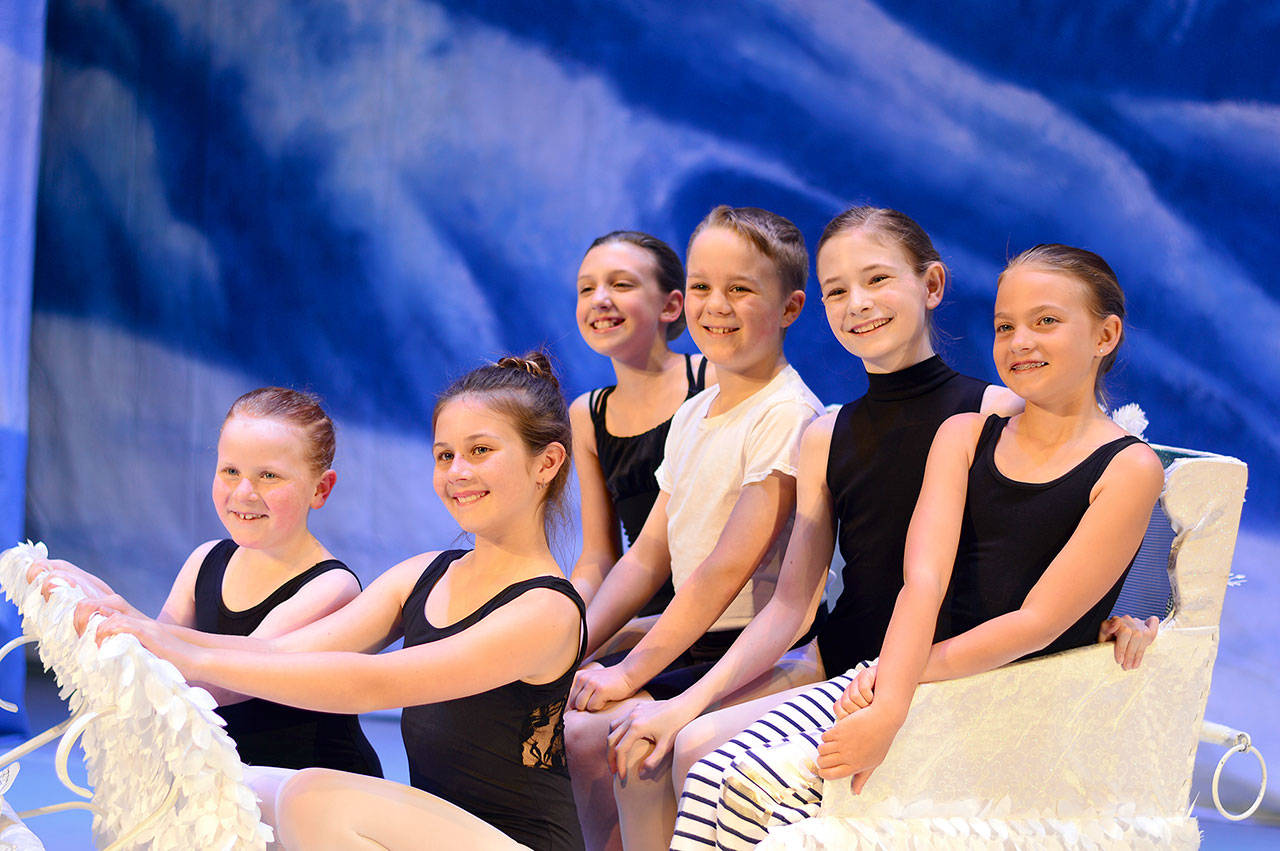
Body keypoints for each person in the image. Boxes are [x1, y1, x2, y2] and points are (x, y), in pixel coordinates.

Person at [672, 243, 1165, 848]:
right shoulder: (963, 435)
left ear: (1105, 335)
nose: (1020, 341)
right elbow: (922, 581)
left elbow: (1036, 622)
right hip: (903, 673)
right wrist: (890, 685)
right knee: (705, 767)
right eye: (1005, 326)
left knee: (756, 783)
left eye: (1046, 322)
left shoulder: (1129, 467)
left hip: (1001, 692)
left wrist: (893, 691)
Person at [78, 355, 587, 850]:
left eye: (480, 451)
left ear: (547, 462)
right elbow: (282, 652)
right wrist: (133, 622)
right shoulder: (423, 575)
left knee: (312, 799)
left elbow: (374, 682)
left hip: (520, 841)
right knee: (232, 790)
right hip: (442, 829)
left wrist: (185, 653)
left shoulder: (545, 609)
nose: (456, 472)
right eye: (444, 454)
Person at [565, 207, 824, 850]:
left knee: (633, 745)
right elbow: (647, 556)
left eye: (741, 289)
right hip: (689, 636)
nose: (717, 305)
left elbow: (723, 571)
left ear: (790, 308)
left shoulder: (788, 413)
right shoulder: (696, 412)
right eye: (705, 287)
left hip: (755, 646)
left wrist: (628, 674)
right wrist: (570, 646)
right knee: (574, 730)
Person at [33, 387, 381, 777]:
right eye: (231, 471)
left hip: (312, 791)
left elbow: (231, 681)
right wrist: (94, 598)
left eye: (268, 476)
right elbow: (152, 658)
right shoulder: (204, 560)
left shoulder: (332, 587)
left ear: (320, 489)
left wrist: (123, 612)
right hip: (229, 788)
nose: (244, 492)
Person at [569, 231, 711, 619]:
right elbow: (599, 557)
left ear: (671, 305)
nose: (599, 299)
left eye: (621, 284)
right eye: (586, 289)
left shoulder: (713, 380)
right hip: (642, 616)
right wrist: (563, 614)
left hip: (721, 614)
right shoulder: (587, 413)